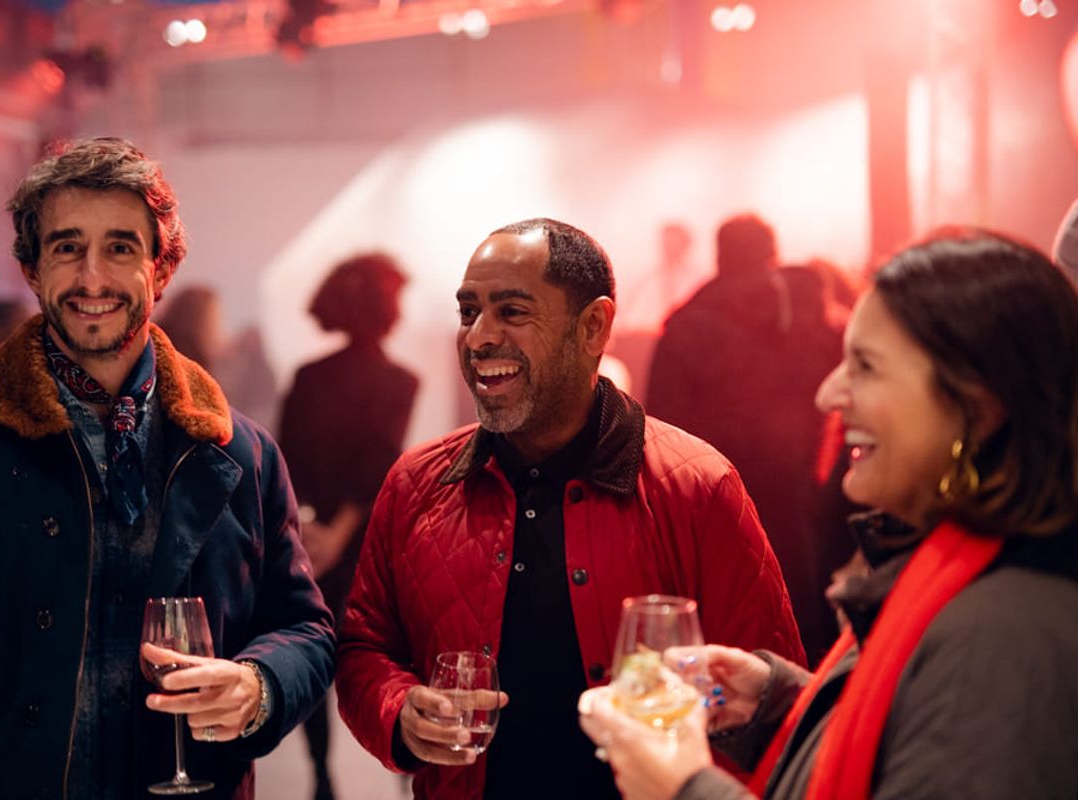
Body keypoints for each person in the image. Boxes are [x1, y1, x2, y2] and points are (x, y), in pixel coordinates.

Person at [0, 137, 335, 800]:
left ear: (161, 267)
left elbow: (306, 628)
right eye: (67, 247)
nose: (93, 277)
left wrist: (260, 684)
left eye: (120, 247)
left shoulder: (241, 453)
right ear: (32, 269)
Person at [579, 228, 1078, 800]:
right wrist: (785, 700)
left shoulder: (1003, 638)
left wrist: (684, 787)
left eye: (865, 366)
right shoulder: (961, 568)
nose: (828, 395)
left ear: (979, 403)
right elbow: (915, 727)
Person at [336, 218, 804, 800]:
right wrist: (401, 711)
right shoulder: (416, 484)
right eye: (468, 313)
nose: (479, 337)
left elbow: (768, 701)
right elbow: (364, 648)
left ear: (593, 327)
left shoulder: (697, 486)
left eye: (511, 312)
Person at [646, 215, 844, 661]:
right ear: (771, 252)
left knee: (721, 647)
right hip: (796, 503)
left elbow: (658, 430)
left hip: (711, 502)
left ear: (720, 255)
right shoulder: (806, 313)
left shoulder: (686, 322)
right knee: (796, 637)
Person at [278, 252, 419, 800]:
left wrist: (314, 529)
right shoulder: (399, 381)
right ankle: (407, 778)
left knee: (317, 648)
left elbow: (286, 457)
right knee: (392, 653)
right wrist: (339, 531)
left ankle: (321, 780)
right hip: (369, 539)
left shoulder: (309, 377)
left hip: (310, 540)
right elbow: (379, 463)